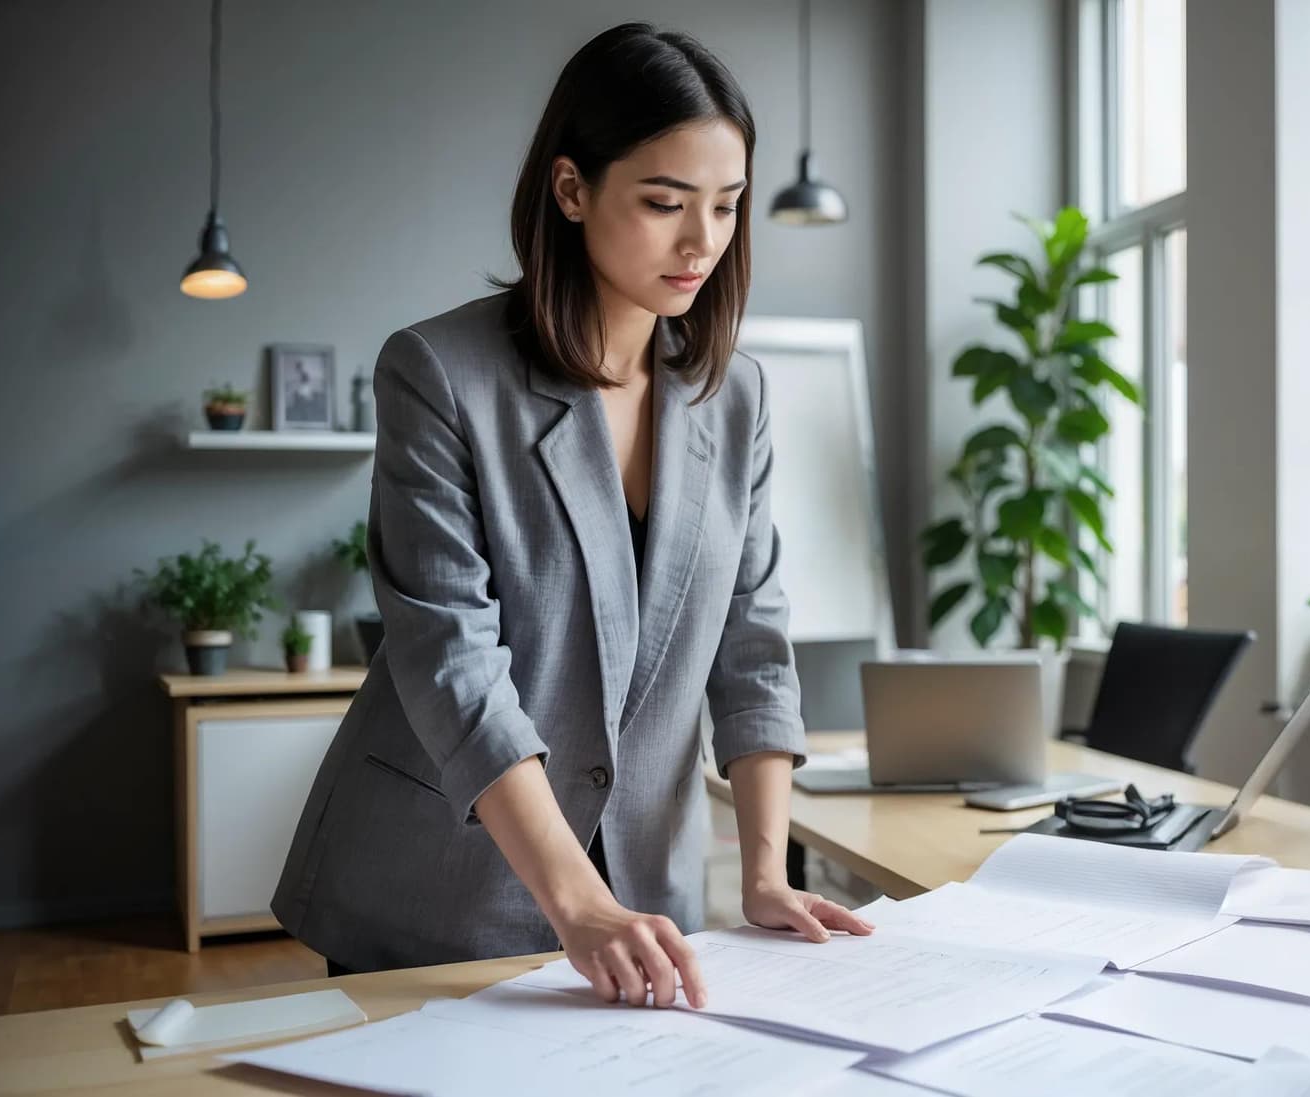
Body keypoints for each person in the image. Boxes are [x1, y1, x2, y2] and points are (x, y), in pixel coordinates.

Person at [271, 22, 872, 1010]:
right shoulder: (441, 375)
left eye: (726, 207)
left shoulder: (738, 396)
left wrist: (767, 871)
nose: (702, 242)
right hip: (442, 889)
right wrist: (577, 900)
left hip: (648, 892)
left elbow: (753, 646)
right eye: (664, 202)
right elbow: (452, 659)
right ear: (571, 189)